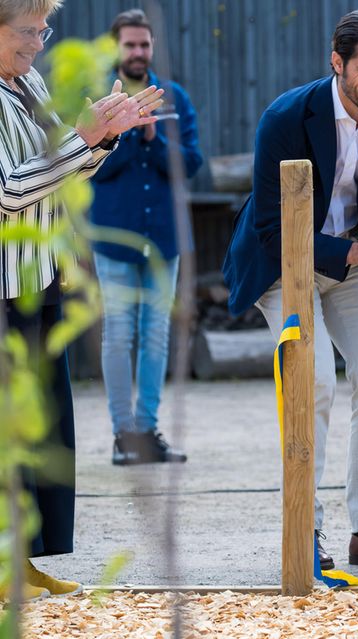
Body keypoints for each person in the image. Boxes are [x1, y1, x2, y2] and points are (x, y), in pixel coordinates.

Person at [222, 8, 358, 570]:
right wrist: (352, 251)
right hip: (283, 261)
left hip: (357, 263)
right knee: (311, 386)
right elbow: (272, 225)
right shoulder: (286, 117)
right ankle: (303, 530)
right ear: (336, 62)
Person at [0, 0, 163, 601]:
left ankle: (23, 562)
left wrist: (99, 140)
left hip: (39, 277)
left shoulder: (28, 82)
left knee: (47, 429)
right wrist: (83, 137)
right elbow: (8, 192)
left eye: (43, 30)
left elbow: (60, 170)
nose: (37, 42)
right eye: (25, 30)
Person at [90, 9, 201, 466]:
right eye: (129, 45)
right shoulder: (96, 97)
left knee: (156, 335)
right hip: (114, 236)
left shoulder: (173, 96)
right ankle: (122, 436)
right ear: (116, 47)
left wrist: (153, 136)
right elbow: (87, 168)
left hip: (163, 238)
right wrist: (120, 131)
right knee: (118, 334)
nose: (137, 53)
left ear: (152, 46)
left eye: (144, 44)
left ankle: (147, 431)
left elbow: (192, 164)